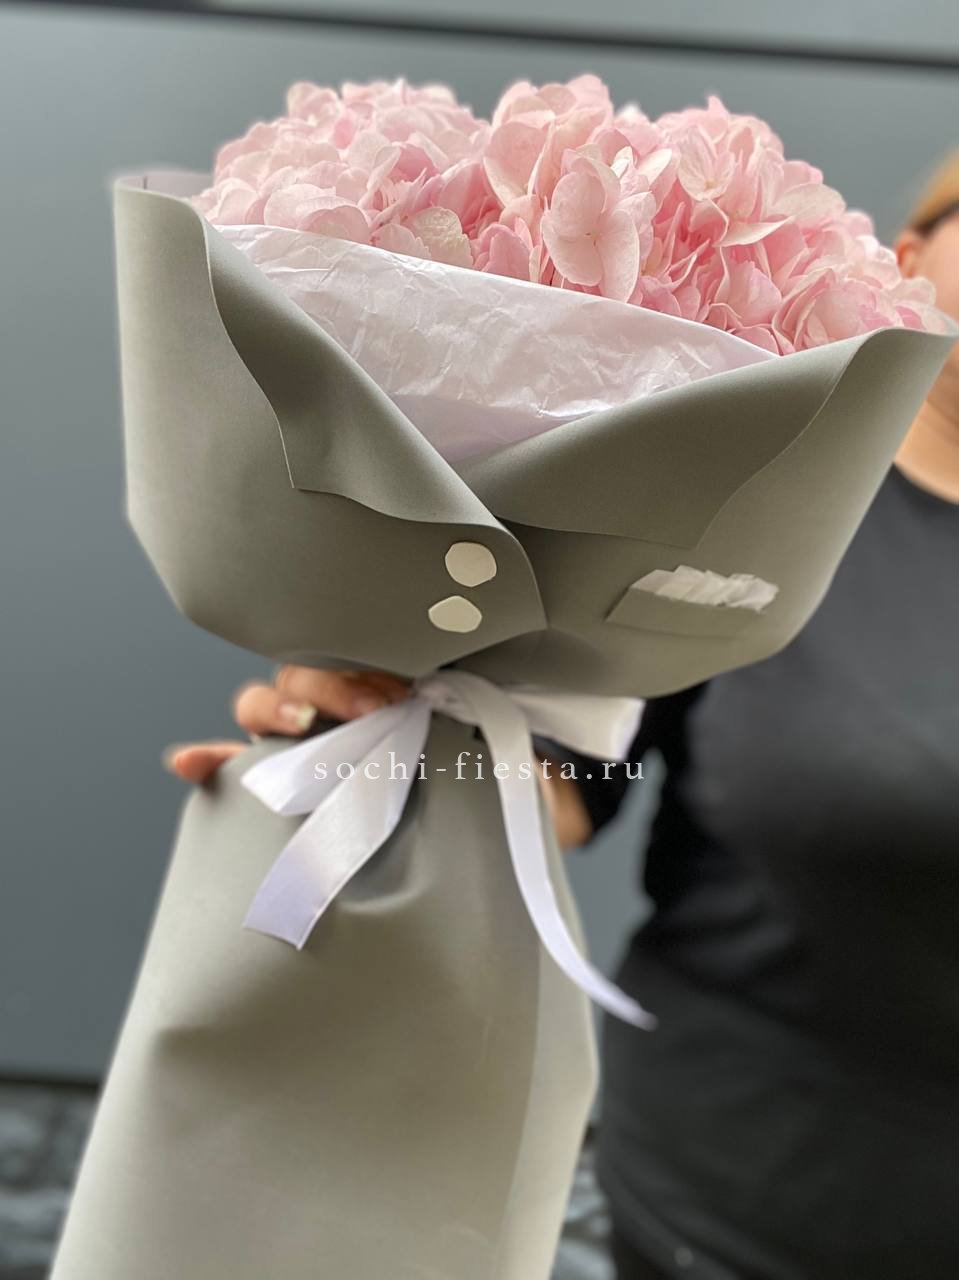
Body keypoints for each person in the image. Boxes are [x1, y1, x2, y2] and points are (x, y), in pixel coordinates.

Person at [167, 154, 959, 1279]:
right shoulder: (771, 502)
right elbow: (573, 772)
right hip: (739, 1209)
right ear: (909, 256)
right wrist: (372, 749)